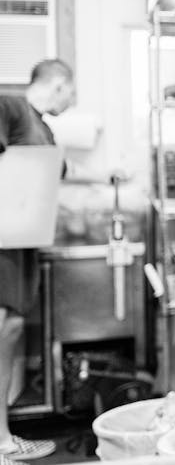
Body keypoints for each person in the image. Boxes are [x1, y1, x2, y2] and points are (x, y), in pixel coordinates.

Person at [0, 59, 74, 463]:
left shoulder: (42, 127)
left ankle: (4, 439)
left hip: (22, 242)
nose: (72, 100)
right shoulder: (9, 107)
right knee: (1, 328)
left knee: (9, 328)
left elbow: (57, 172)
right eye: (71, 91)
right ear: (58, 84)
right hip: (3, 242)